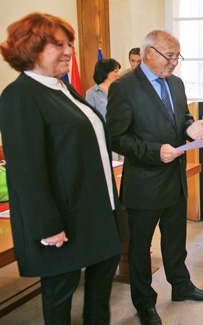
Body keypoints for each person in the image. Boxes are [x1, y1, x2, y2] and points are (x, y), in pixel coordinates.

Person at [0, 13, 126, 324]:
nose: (69, 50)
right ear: (31, 48)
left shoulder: (63, 88)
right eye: (58, 44)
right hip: (63, 222)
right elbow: (25, 171)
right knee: (60, 296)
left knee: (99, 290)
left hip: (97, 212)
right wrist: (47, 225)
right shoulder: (20, 95)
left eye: (69, 43)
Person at [106, 30, 203, 325]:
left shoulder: (176, 84)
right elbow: (116, 138)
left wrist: (191, 128)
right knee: (140, 249)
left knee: (175, 241)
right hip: (144, 183)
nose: (175, 63)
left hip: (175, 179)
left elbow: (182, 119)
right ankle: (145, 304)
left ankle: (181, 286)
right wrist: (155, 151)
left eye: (178, 56)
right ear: (149, 53)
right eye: (170, 56)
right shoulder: (124, 87)